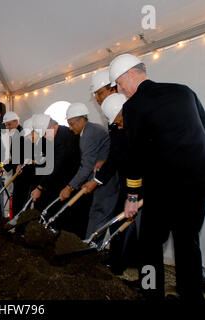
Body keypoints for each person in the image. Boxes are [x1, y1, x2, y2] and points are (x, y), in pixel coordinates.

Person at [110, 53, 205, 300]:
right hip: (203, 177)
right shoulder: (183, 90)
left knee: (149, 243)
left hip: (167, 184)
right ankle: (192, 296)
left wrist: (131, 197)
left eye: (119, 83)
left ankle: (151, 293)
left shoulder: (133, 106)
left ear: (131, 74)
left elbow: (135, 155)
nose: (119, 90)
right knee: (187, 240)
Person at [82, 93, 139, 275]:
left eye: (120, 121)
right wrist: (97, 180)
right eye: (116, 123)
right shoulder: (118, 128)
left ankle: (148, 284)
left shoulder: (138, 127)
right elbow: (115, 157)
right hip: (129, 183)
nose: (119, 125)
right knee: (118, 224)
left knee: (148, 238)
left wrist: (133, 195)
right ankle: (116, 266)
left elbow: (135, 162)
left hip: (143, 184)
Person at [59, 103, 119, 240]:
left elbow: (86, 166)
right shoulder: (91, 130)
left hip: (106, 181)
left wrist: (69, 187)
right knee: (97, 214)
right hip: (101, 178)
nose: (70, 127)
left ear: (81, 119)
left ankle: (90, 252)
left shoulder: (89, 134)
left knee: (98, 214)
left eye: (72, 123)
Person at [30, 113, 85, 236]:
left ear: (52, 127)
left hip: (71, 183)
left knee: (67, 220)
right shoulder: (52, 136)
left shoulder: (66, 138)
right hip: (58, 182)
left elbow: (56, 166)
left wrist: (40, 187)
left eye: (45, 133)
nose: (44, 137)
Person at [1, 111, 27, 217]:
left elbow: (20, 157)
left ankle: (19, 227)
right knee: (17, 201)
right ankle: (17, 225)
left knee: (20, 202)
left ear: (16, 122)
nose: (7, 127)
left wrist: (4, 168)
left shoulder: (21, 134)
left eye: (9, 124)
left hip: (22, 174)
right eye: (6, 125)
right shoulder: (16, 133)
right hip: (18, 173)